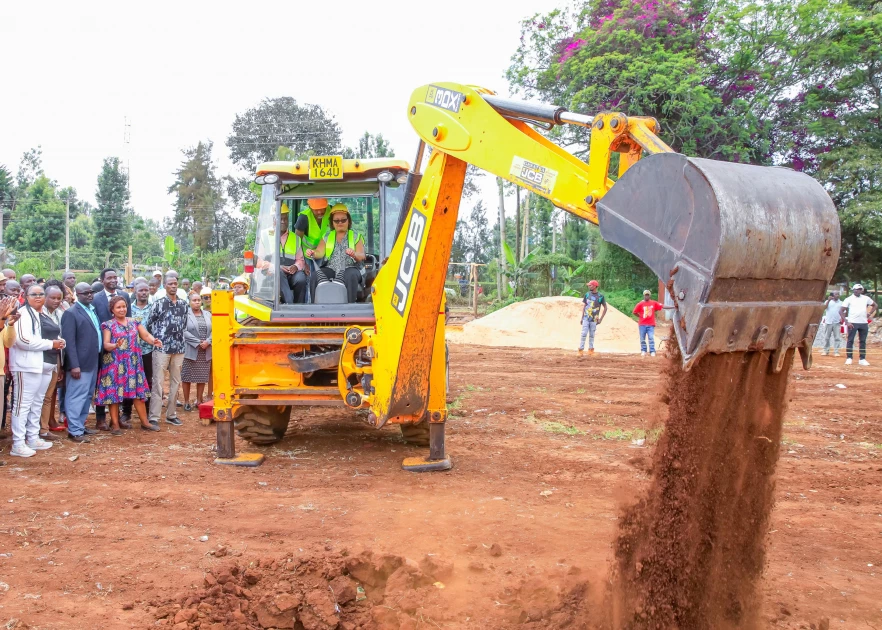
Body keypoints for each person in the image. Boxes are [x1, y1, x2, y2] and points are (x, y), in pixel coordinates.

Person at [8, 284, 66, 457]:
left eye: (41, 294)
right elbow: (23, 341)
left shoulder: (43, 314)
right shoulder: (22, 314)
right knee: (22, 405)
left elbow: (49, 336)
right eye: (34, 294)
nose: (38, 297)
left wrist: (59, 341)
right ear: (25, 296)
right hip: (26, 365)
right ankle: (18, 443)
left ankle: (33, 437)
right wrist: (51, 344)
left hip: (44, 364)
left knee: (37, 402)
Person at [95, 295, 162, 434]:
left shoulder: (134, 322)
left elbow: (146, 335)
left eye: (124, 306)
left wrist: (153, 341)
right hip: (115, 364)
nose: (122, 309)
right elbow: (106, 344)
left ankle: (145, 423)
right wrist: (114, 345)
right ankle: (115, 425)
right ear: (112, 310)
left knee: (138, 393)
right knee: (114, 395)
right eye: (118, 307)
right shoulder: (108, 325)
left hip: (133, 364)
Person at [91, 268, 133, 430]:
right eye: (109, 278)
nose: (113, 280)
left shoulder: (125, 296)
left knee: (121, 382)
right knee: (103, 383)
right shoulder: (95, 298)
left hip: (123, 349)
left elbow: (127, 320)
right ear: (102, 280)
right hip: (104, 347)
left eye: (115, 277)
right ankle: (101, 418)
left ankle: (119, 418)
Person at [61, 283, 102, 443]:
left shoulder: (91, 310)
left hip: (93, 361)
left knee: (86, 396)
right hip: (80, 364)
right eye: (85, 293)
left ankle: (80, 425)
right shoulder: (71, 313)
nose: (90, 295)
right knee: (76, 396)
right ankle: (74, 430)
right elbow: (69, 342)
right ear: (77, 294)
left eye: (91, 292)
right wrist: (74, 365)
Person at [146, 275, 189, 426]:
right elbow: (149, 323)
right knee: (158, 382)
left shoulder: (184, 305)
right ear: (165, 286)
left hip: (179, 347)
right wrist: (158, 338)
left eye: (175, 283)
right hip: (161, 348)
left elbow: (184, 325)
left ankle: (171, 415)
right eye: (170, 284)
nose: (173, 286)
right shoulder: (158, 304)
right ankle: (154, 417)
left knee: (176, 382)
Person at [310, 204, 365, 303]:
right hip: (331, 268)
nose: (340, 223)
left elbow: (362, 256)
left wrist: (354, 254)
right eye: (336, 221)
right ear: (332, 222)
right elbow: (319, 253)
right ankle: (315, 308)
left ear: (348, 221)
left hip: (351, 267)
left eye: (343, 220)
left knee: (350, 275)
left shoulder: (356, 236)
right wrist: (313, 253)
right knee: (315, 276)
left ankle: (349, 307)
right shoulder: (326, 236)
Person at [39, 285, 66, 437]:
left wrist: (60, 364)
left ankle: (45, 426)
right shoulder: (37, 314)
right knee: (39, 395)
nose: (56, 301)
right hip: (40, 359)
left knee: (49, 394)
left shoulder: (60, 314)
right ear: (45, 297)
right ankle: (38, 428)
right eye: (53, 298)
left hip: (55, 357)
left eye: (59, 298)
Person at [182, 293, 212, 410]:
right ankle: (186, 402)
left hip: (206, 350)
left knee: (202, 376)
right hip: (191, 349)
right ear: (189, 302)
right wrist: (198, 342)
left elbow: (215, 330)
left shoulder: (208, 314)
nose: (197, 302)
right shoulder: (185, 314)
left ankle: (199, 400)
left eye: (199, 300)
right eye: (194, 300)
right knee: (186, 376)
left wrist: (208, 341)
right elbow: (183, 330)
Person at [278, 205, 308, 304]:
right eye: (280, 218)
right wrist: (278, 267)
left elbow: (301, 260)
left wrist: (295, 266)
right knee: (278, 273)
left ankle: (300, 308)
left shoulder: (295, 238)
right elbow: (261, 261)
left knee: (301, 279)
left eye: (285, 218)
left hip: (290, 274)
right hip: (272, 274)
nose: (283, 221)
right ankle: (290, 305)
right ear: (273, 219)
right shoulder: (265, 236)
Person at [841, 283, 877, 366]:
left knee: (863, 341)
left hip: (863, 322)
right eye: (856, 289)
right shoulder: (849, 299)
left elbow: (875, 305)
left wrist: (869, 313)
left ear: (862, 290)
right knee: (850, 340)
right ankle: (849, 358)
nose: (858, 291)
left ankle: (862, 359)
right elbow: (841, 311)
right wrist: (847, 322)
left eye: (859, 289)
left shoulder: (866, 298)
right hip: (852, 322)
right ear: (853, 290)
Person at [131, 281, 155, 396]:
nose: (144, 293)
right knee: (131, 378)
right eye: (141, 290)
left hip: (149, 349)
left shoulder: (154, 308)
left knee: (148, 377)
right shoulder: (128, 309)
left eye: (146, 290)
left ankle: (148, 406)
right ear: (135, 292)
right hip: (132, 350)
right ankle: (127, 408)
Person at [295, 197, 331, 272]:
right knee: (309, 276)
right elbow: (297, 242)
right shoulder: (303, 218)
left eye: (322, 208)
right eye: (316, 209)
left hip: (325, 252)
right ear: (310, 208)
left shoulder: (332, 212)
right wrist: (303, 262)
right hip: (307, 254)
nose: (319, 212)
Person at [632, 289, 669, 357]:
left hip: (650, 324)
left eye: (648, 295)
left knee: (651, 338)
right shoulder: (640, 304)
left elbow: (662, 306)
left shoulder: (653, 303)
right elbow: (634, 312)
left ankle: (652, 351)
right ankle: (643, 350)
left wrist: (673, 307)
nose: (646, 296)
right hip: (642, 324)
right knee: (642, 338)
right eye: (645, 295)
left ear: (649, 296)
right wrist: (640, 316)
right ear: (644, 296)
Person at [578, 280, 607, 356]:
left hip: (594, 319)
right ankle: (580, 350)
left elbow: (605, 307)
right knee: (583, 333)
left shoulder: (600, 296)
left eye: (590, 285)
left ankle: (591, 350)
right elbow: (584, 306)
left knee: (592, 335)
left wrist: (600, 319)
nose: (589, 286)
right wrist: (582, 317)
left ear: (595, 286)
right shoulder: (587, 294)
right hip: (586, 318)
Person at [821, 291, 843, 356]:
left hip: (837, 322)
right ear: (833, 295)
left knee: (837, 337)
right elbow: (824, 307)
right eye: (836, 294)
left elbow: (843, 311)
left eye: (838, 294)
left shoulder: (841, 303)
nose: (837, 295)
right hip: (828, 322)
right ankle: (825, 350)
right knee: (826, 337)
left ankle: (836, 351)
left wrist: (842, 318)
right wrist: (828, 300)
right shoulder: (828, 302)